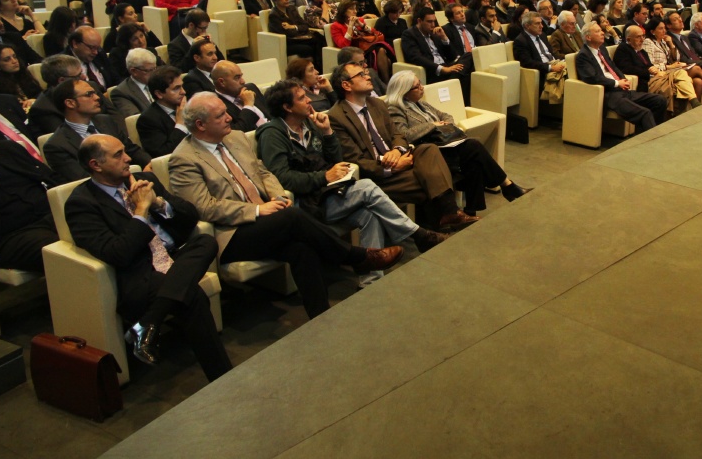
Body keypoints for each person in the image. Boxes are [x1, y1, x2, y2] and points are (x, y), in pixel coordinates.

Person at [168, 93, 400, 318]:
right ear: (200, 125)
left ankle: (321, 316)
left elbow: (262, 172)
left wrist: (278, 196)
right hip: (231, 234)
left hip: (267, 220)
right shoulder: (184, 159)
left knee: (301, 248)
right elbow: (204, 207)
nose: (230, 117)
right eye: (220, 115)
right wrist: (257, 210)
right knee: (293, 217)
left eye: (226, 112)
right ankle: (356, 256)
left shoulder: (235, 138)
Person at [65, 134, 231, 380]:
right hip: (141, 273)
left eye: (125, 151)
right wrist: (141, 211)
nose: (128, 158)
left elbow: (191, 216)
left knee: (205, 242)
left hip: (174, 259)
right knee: (191, 295)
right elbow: (118, 253)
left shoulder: (145, 180)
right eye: (118, 155)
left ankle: (148, 322)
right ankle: (223, 376)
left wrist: (158, 203)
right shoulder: (82, 204)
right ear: (96, 165)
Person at [255, 80, 448, 281]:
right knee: (367, 187)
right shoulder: (273, 134)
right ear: (287, 107)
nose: (309, 100)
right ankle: (418, 234)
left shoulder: (310, 124)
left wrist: (327, 133)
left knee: (369, 215)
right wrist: (324, 176)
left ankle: (371, 282)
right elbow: (282, 178)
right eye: (302, 98)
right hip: (305, 204)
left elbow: (336, 160)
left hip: (327, 193)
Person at [327, 61, 479, 231]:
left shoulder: (376, 104)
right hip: (377, 174)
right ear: (346, 85)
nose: (368, 76)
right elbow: (354, 160)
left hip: (398, 158)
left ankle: (445, 218)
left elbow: (397, 135)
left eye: (366, 72)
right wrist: (391, 168)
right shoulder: (337, 117)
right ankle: (445, 218)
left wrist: (397, 150)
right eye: (361, 75)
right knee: (432, 178)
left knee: (429, 149)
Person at [384, 71, 530, 215]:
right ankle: (507, 186)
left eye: (420, 83)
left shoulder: (421, 103)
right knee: (473, 146)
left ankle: (472, 211)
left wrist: (446, 123)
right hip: (427, 154)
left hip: (444, 145)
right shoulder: (395, 109)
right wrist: (432, 125)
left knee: (473, 159)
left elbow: (445, 115)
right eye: (417, 87)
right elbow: (404, 135)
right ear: (404, 92)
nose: (422, 87)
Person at [43, 78, 152, 182]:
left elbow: (131, 150)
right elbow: (84, 178)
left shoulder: (106, 121)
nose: (97, 97)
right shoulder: (56, 145)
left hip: (134, 177)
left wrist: (149, 164)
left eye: (95, 93)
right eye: (89, 94)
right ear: (70, 103)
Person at [0, 134, 59, 273]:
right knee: (63, 249)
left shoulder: (8, 149)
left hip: (52, 215)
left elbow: (52, 179)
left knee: (91, 229)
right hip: (11, 237)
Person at [575, 22, 665, 134]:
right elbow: (592, 78)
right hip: (608, 94)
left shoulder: (602, 49)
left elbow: (613, 67)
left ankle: (648, 135)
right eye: (598, 31)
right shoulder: (583, 56)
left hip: (622, 90)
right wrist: (617, 83)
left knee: (659, 101)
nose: (602, 33)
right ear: (588, 37)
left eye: (601, 30)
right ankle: (655, 138)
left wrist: (623, 79)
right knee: (644, 113)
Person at [400, 7, 474, 98]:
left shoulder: (434, 33)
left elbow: (452, 56)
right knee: (466, 76)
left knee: (470, 55)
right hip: (433, 70)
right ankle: (455, 81)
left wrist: (444, 38)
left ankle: (454, 78)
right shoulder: (409, 34)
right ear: (419, 21)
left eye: (434, 21)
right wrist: (442, 69)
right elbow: (416, 57)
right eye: (429, 22)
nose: (433, 25)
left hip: (447, 66)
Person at [138, 66, 189, 158]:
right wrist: (180, 125)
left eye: (182, 86)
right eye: (176, 88)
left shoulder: (190, 106)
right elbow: (163, 153)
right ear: (159, 94)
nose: (183, 92)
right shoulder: (148, 120)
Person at [512, 9, 566, 92]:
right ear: (527, 26)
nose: (541, 26)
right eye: (537, 23)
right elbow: (527, 62)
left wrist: (562, 61)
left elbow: (552, 53)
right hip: (543, 71)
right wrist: (550, 68)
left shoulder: (542, 35)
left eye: (541, 23)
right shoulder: (520, 41)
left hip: (555, 64)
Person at [269, 0, 325, 65]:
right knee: (309, 47)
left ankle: (320, 66)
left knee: (320, 38)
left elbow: (305, 25)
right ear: (275, 0)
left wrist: (293, 27)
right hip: (288, 43)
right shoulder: (274, 15)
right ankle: (317, 66)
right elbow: (288, 34)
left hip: (300, 38)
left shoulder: (291, 9)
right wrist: (299, 29)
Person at [210, 60, 271, 131]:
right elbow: (237, 132)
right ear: (222, 82)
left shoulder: (251, 88)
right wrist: (248, 105)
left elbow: (271, 114)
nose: (243, 81)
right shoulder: (216, 105)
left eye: (241, 76)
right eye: (237, 78)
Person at [0, 43, 41, 110]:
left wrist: (34, 100)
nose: (14, 61)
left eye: (15, 57)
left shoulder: (23, 75)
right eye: (7, 59)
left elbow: (39, 93)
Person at [110, 47, 161, 118]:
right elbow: (136, 119)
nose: (154, 73)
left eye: (155, 68)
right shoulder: (121, 93)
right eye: (149, 70)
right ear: (134, 71)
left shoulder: (161, 81)